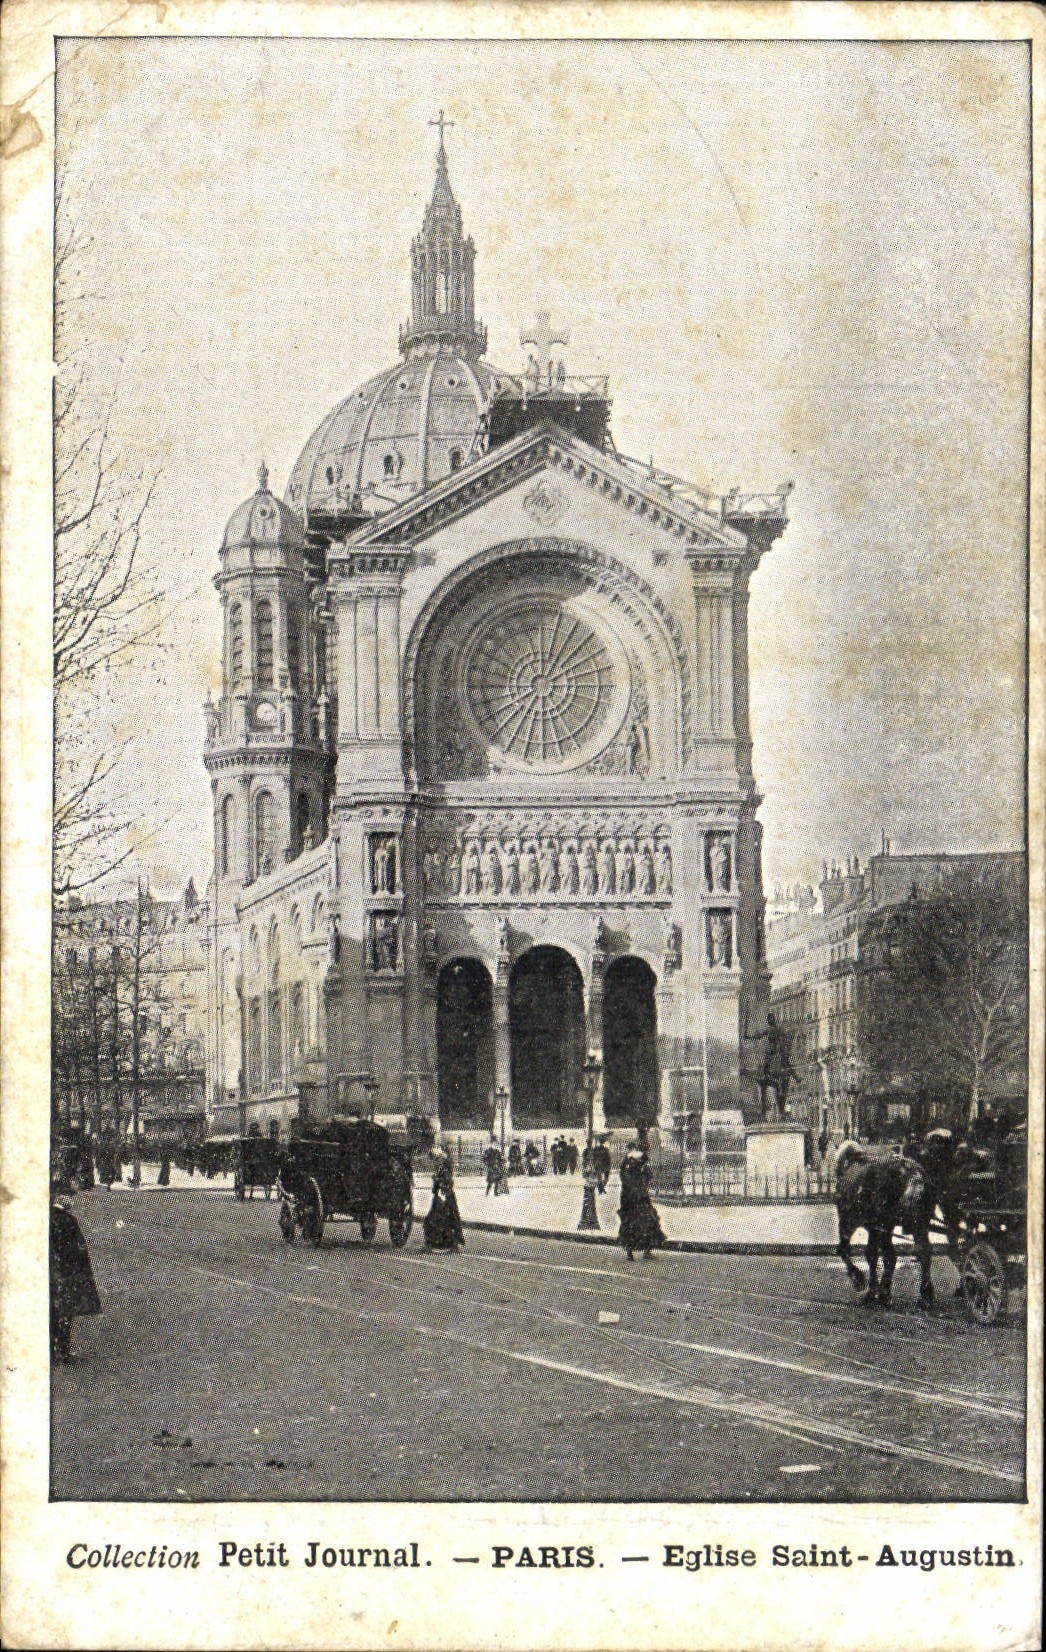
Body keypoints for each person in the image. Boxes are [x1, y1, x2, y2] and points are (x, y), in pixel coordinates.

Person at [50, 1165, 102, 1361]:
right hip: (65, 1272)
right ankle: (61, 1351)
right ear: (63, 1199)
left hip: (49, 1271)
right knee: (64, 1313)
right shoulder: (68, 1220)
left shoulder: (46, 1218)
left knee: (51, 1311)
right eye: (70, 1197)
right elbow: (78, 1250)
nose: (72, 1201)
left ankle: (51, 1349)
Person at [617, 1133, 666, 1260]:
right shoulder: (643, 1160)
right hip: (640, 1195)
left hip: (627, 1196)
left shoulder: (625, 1161)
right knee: (647, 1220)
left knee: (629, 1221)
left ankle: (629, 1253)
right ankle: (647, 1251)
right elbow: (648, 1176)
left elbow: (622, 1177)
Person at [423, 1148, 465, 1252]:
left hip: (443, 1195)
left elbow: (445, 1180)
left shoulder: (443, 1165)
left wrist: (436, 1179)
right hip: (445, 1195)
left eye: (434, 1158)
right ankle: (451, 1244)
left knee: (436, 1220)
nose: (434, 1162)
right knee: (449, 1218)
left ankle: (434, 1244)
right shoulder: (444, 1164)